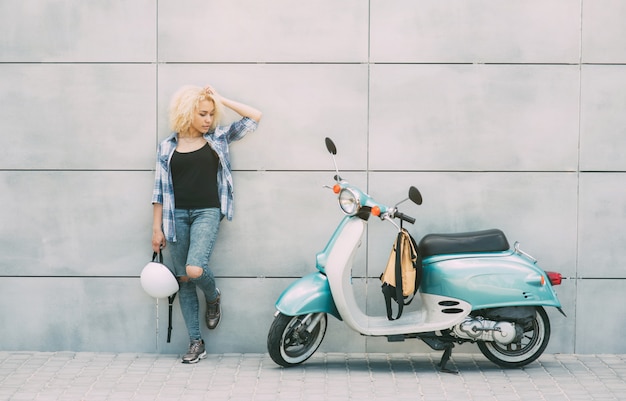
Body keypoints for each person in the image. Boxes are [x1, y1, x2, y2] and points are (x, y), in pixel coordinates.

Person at [151, 84, 262, 364]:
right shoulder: (167, 146)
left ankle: (213, 297)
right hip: (175, 218)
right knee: (185, 281)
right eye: (203, 114)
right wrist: (156, 228)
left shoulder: (218, 138)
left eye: (211, 114)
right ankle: (195, 342)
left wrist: (220, 98)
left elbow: (255, 117)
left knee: (194, 268)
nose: (208, 120)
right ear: (187, 113)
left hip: (207, 212)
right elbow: (159, 191)